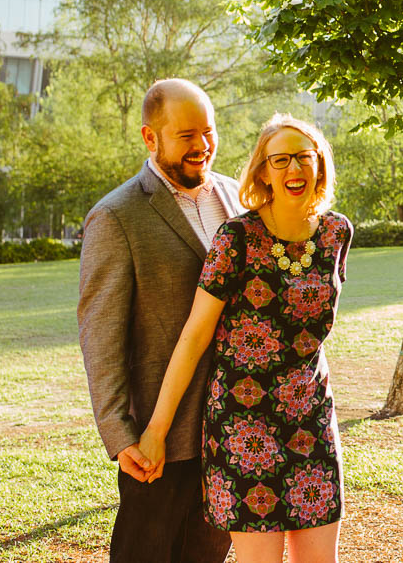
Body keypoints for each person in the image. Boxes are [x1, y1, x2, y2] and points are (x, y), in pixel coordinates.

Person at [138, 113, 353, 563]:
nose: (293, 169)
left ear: (319, 164)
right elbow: (194, 337)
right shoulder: (236, 238)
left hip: (310, 416)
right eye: (279, 160)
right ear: (262, 172)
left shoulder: (337, 232)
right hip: (243, 424)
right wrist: (155, 431)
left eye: (302, 157)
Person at [78, 78, 240, 563]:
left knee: (209, 555)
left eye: (208, 132)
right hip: (160, 433)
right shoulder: (116, 215)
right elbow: (99, 333)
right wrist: (120, 432)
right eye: (186, 135)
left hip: (235, 424)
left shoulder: (239, 199)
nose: (202, 146)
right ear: (151, 138)